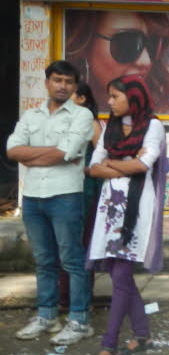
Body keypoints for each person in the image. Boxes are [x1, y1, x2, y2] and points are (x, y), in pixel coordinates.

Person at [6, 61, 95, 344]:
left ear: (74, 86)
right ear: (47, 82)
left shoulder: (82, 115)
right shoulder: (31, 115)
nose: (62, 86)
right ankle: (46, 316)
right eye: (57, 80)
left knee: (71, 260)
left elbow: (66, 152)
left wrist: (30, 155)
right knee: (44, 260)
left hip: (66, 195)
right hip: (32, 197)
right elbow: (11, 150)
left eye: (68, 82)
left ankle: (78, 320)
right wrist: (52, 153)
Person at [86, 76, 167, 355]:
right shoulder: (111, 128)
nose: (109, 102)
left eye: (115, 96)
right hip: (110, 209)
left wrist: (113, 165)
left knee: (120, 275)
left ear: (133, 97)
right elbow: (93, 167)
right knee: (119, 274)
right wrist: (124, 163)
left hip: (136, 212)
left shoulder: (153, 126)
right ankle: (143, 335)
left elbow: (142, 166)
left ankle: (108, 345)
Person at [65, 9, 169, 114]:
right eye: (126, 43)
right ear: (86, 45)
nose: (145, 61)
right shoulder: (66, 108)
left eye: (153, 44)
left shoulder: (166, 109)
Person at [58, 82, 105, 309]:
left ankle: (81, 298)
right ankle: (64, 297)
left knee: (82, 244)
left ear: (83, 99)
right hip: (64, 189)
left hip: (86, 192)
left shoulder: (93, 125)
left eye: (72, 94)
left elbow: (103, 159)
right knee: (64, 244)